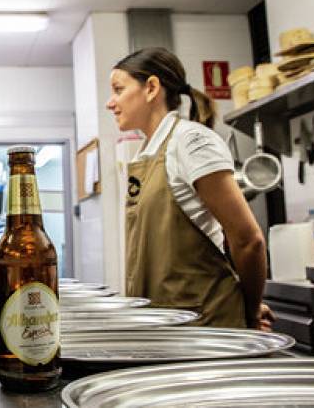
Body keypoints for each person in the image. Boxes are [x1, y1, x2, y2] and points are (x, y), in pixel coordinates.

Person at [106, 47, 275, 330]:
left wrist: (251, 308)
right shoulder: (146, 153)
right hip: (165, 326)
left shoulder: (190, 141)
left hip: (204, 328)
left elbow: (248, 240)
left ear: (151, 88)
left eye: (118, 90)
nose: (110, 103)